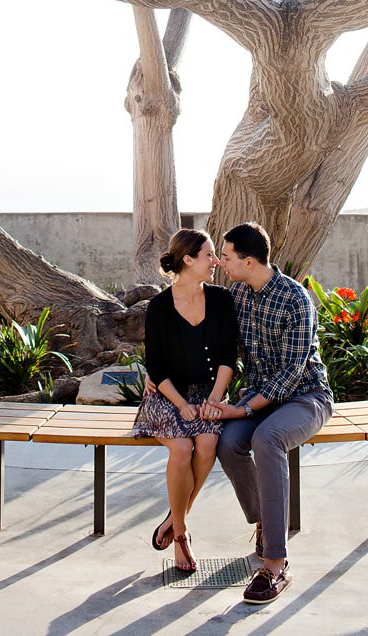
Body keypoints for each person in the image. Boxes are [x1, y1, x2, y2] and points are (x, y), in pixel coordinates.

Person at [205, 222, 333, 606]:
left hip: (305, 397)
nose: (221, 263)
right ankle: (264, 520)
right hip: (260, 398)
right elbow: (222, 350)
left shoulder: (296, 299)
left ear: (248, 261)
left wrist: (243, 408)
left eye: (226, 258)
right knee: (228, 443)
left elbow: (292, 373)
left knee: (267, 438)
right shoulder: (239, 295)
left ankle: (276, 563)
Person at [132, 228, 238, 573]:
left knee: (206, 443)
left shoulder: (221, 299)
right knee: (182, 449)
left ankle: (172, 519)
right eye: (208, 255)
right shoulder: (159, 307)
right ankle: (180, 534)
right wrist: (181, 404)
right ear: (188, 260)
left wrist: (214, 398)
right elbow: (157, 366)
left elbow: (227, 356)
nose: (215, 262)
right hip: (167, 395)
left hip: (208, 391)